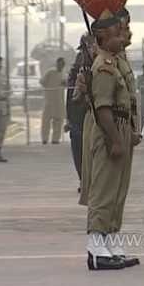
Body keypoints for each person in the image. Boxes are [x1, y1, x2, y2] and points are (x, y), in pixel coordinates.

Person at [72, 0, 139, 270]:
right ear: (102, 36)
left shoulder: (115, 60)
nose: (124, 33)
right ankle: (96, 247)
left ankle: (110, 239)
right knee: (102, 188)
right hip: (108, 129)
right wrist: (114, 139)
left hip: (121, 128)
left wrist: (130, 131)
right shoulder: (103, 66)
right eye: (118, 30)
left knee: (117, 188)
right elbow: (102, 106)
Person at [66, 35, 92, 192]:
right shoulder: (76, 66)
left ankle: (89, 180)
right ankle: (84, 180)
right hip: (77, 113)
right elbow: (69, 94)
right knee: (78, 149)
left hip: (91, 113)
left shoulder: (99, 63)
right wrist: (68, 116)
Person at [40, 57, 66, 144]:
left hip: (59, 101)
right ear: (56, 63)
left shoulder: (64, 74)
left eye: (62, 64)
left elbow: (67, 84)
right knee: (46, 121)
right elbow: (42, 81)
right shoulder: (50, 72)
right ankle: (44, 138)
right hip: (49, 100)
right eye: (59, 63)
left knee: (58, 120)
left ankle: (55, 139)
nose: (61, 66)